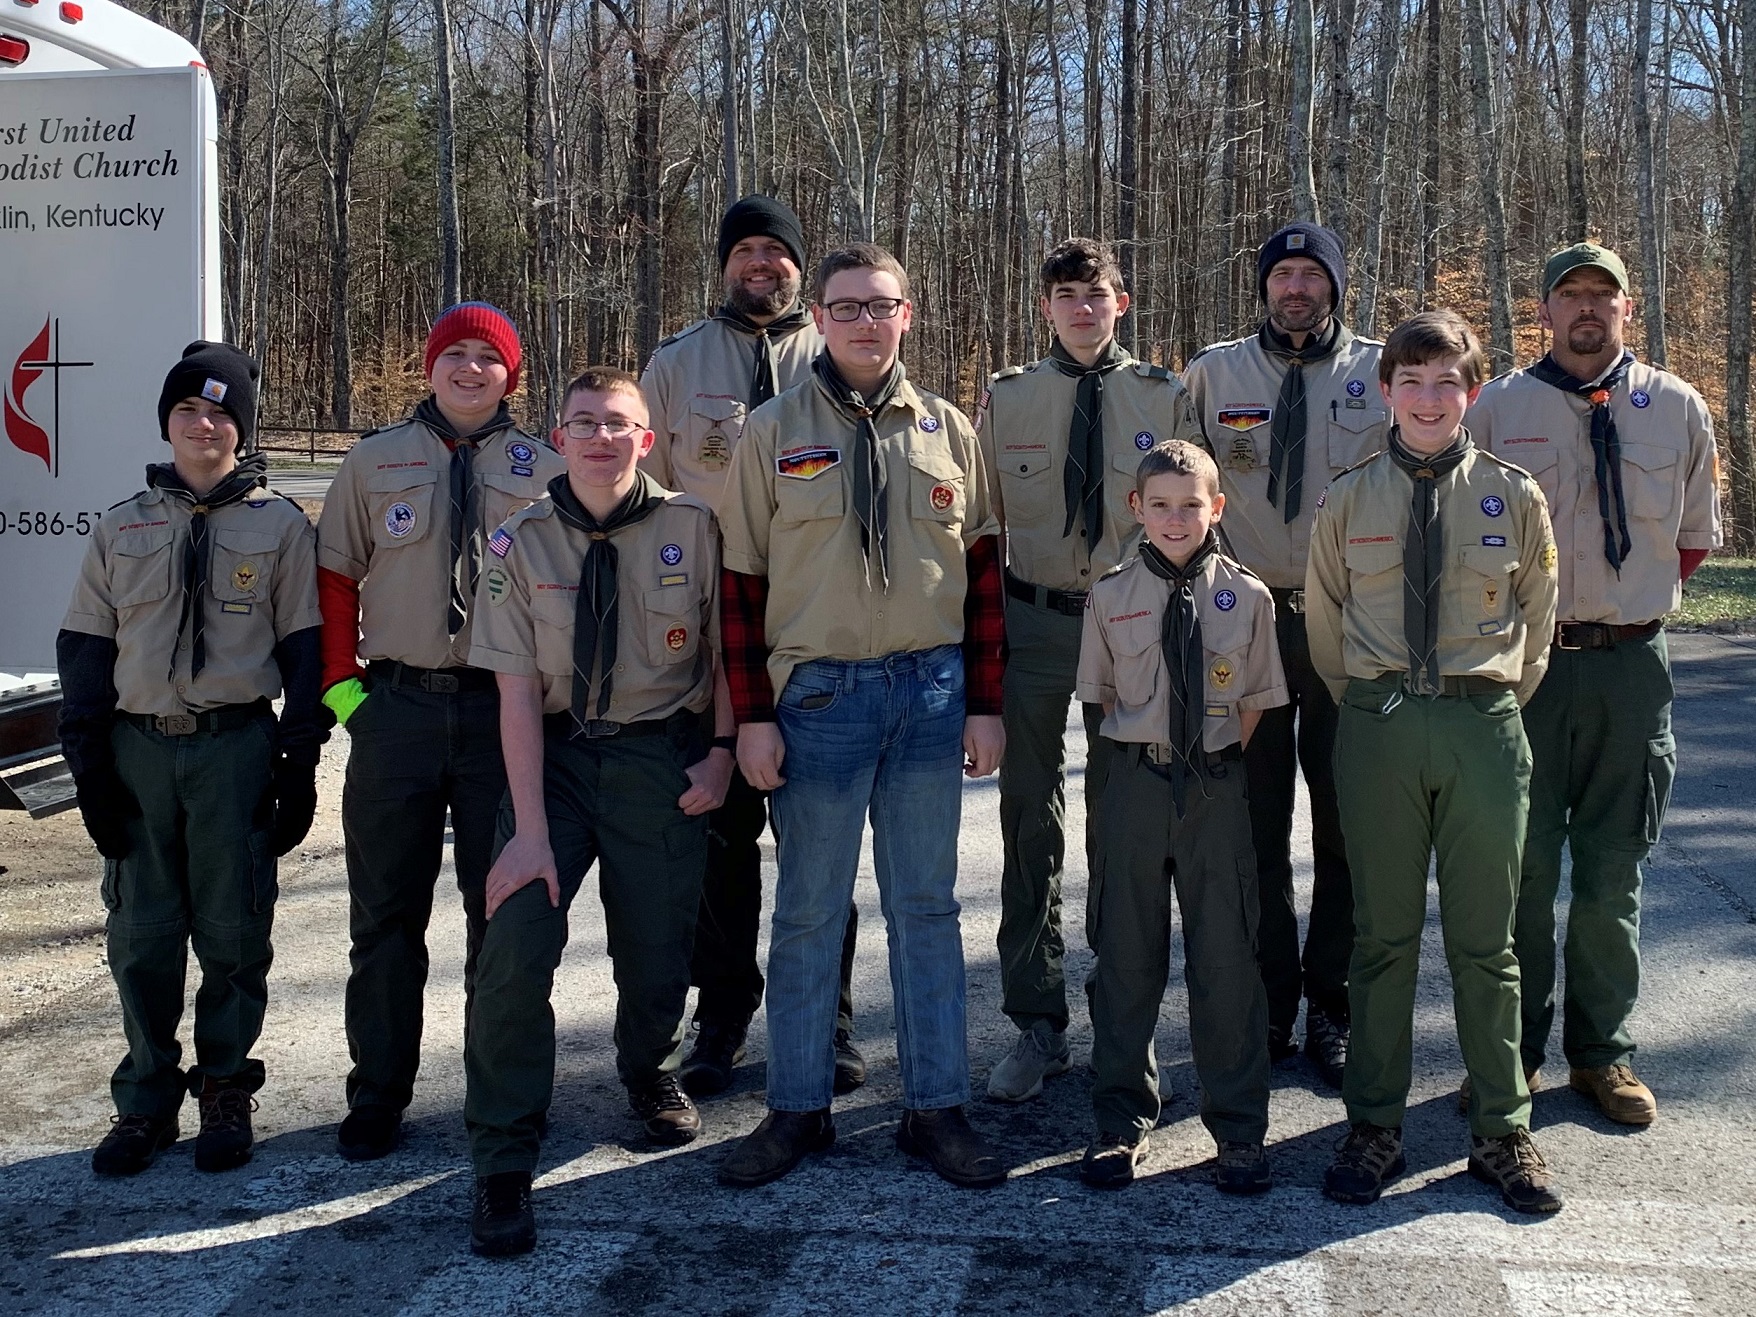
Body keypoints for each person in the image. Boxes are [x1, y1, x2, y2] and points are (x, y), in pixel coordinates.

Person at [714, 242, 1009, 1189]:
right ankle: (797, 1110)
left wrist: (987, 703)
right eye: (846, 307)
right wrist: (752, 718)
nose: (865, 322)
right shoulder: (770, 431)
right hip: (820, 703)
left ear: (907, 316)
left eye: (882, 306)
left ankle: (936, 1107)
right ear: (821, 319)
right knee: (806, 913)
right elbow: (739, 584)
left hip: (928, 695)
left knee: (926, 907)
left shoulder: (951, 430)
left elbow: (986, 575)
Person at [461, 367, 733, 1257]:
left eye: (620, 424)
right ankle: (504, 1151)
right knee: (513, 948)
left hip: (660, 758)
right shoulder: (518, 542)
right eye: (585, 423)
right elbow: (511, 696)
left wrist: (723, 752)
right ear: (560, 436)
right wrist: (528, 828)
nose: (602, 438)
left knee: (657, 946)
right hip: (557, 762)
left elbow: (731, 657)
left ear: (646, 440)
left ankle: (648, 1068)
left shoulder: (694, 529)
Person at [1306, 310, 1562, 1214]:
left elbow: (1537, 625)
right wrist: (1373, 707)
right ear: (1385, 392)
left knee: (1487, 944)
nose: (1427, 397)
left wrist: (1484, 703)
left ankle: (1501, 1129)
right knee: (1381, 939)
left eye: (1445, 381)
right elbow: (1326, 625)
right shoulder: (1348, 497)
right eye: (1410, 381)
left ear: (1473, 393)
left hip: (1482, 723)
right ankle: (1374, 1123)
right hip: (1378, 721)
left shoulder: (1515, 494)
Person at [1467, 243, 1723, 1125]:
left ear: (1626, 309)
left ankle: (1603, 1055)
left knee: (1614, 870)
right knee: (1520, 872)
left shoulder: (1678, 407)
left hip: (1630, 669)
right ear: (1544, 310)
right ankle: (1514, 1058)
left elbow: (1689, 542)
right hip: (1530, 669)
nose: (1586, 310)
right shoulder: (1498, 408)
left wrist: (1624, 610)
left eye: (1601, 298)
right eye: (1569, 294)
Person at [57, 342, 324, 1176]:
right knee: (140, 933)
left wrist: (299, 758)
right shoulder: (122, 523)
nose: (203, 425)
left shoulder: (279, 526)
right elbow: (84, 651)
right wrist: (89, 768)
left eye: (220, 413)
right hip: (138, 754)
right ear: (168, 423)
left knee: (235, 928)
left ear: (241, 429)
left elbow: (309, 653)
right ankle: (144, 1099)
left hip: (233, 750)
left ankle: (223, 1086)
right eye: (187, 412)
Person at [316, 302, 565, 1161]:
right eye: (453, 354)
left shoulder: (546, 467)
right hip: (397, 713)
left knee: (501, 920)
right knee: (385, 919)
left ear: (511, 375)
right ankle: (378, 1093)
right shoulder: (374, 461)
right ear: (429, 366)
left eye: (486, 358)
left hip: (505, 714)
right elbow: (334, 582)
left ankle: (499, 1097)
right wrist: (349, 703)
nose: (469, 369)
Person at [641, 195, 866, 1098]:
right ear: (725, 264)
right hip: (709, 633)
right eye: (747, 252)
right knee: (721, 841)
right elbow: (645, 502)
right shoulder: (676, 365)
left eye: (778, 251)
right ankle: (724, 1013)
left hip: (816, 632)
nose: (762, 265)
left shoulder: (843, 355)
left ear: (800, 269)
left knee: (821, 841)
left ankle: (832, 1016)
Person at [976, 238, 1205, 1103]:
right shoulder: (1007, 399)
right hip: (1036, 623)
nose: (1081, 308)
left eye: (1095, 294)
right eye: (1065, 294)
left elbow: (1192, 524)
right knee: (1029, 821)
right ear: (1046, 307)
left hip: (1134, 624)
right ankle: (1038, 1022)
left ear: (1123, 302)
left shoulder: (1163, 395)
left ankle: (1122, 1013)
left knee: (1127, 823)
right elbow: (985, 531)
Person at [1181, 222, 1387, 1086]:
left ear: (1335, 286)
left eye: (1312, 274)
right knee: (1252, 822)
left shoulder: (1381, 371)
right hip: (1247, 618)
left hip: (1350, 621)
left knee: (1347, 821)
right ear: (1263, 287)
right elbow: (1178, 495)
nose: (1296, 288)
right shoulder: (1213, 374)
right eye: (1282, 275)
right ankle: (1269, 999)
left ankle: (1332, 1001)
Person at [1075, 440, 1284, 1192]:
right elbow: (1102, 698)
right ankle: (1119, 1118)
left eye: (1191, 504)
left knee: (1227, 957)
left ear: (1217, 507)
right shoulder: (1110, 594)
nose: (1174, 517)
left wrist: (1212, 761)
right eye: (1158, 504)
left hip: (1216, 786)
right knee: (1126, 951)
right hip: (1134, 781)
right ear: (1136, 509)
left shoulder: (1250, 598)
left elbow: (1257, 705)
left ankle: (1237, 1127)